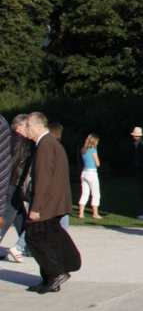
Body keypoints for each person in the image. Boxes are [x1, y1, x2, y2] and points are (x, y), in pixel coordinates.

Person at [22, 112, 82, 293]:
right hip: (54, 202)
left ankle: (55, 272)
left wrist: (36, 207)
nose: (26, 129)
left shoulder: (46, 145)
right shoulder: (49, 144)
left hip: (47, 203)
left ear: (39, 126)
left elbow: (43, 179)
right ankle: (50, 279)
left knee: (33, 237)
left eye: (28, 126)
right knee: (48, 239)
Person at [3, 114, 34, 263]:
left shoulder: (14, 140)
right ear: (19, 127)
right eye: (26, 126)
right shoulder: (19, 141)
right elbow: (12, 162)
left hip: (14, 183)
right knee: (8, 214)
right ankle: (27, 245)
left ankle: (28, 245)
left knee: (20, 215)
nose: (29, 129)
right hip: (13, 183)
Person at [78, 134, 103, 220]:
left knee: (84, 193)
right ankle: (95, 213)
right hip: (92, 173)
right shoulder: (93, 150)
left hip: (84, 172)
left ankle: (81, 213)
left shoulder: (83, 150)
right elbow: (97, 163)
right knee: (96, 193)